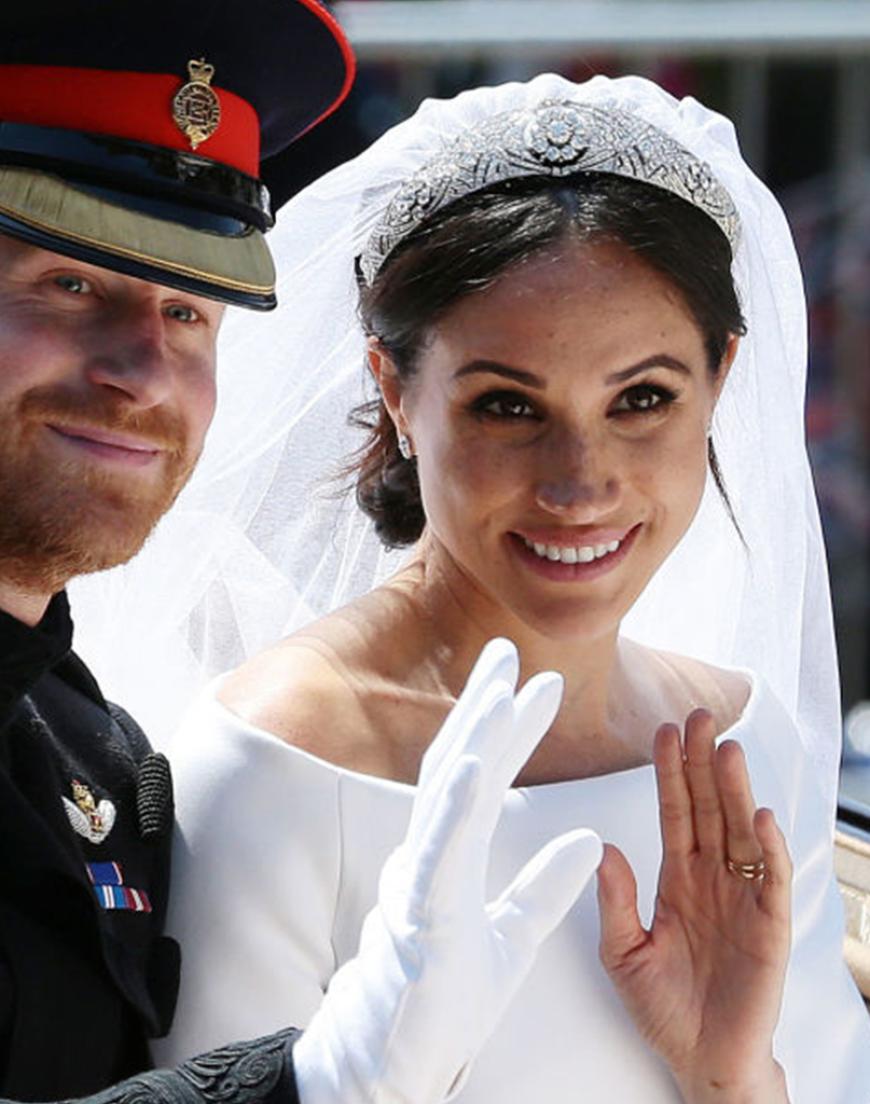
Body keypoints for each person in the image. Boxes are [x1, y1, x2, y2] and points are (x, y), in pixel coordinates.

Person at [147, 73, 870, 1102]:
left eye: (644, 399)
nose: (581, 480)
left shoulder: (743, 748)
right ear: (395, 393)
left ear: (721, 382)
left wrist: (731, 1079)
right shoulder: (273, 766)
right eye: (506, 407)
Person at [0, 9, 605, 1102]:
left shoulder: (89, 746)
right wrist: (313, 1082)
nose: (145, 369)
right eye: (71, 283)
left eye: (190, 310)